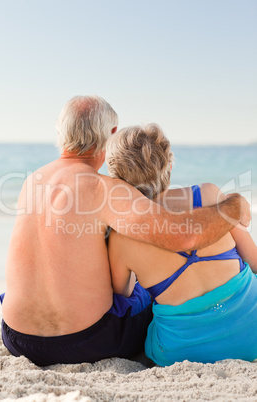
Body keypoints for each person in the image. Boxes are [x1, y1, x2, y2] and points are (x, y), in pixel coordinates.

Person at [1, 96, 250, 366]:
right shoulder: (103, 188)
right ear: (111, 135)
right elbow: (183, 235)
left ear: (60, 132)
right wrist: (233, 206)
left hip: (18, 339)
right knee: (145, 285)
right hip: (87, 342)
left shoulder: (31, 181)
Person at [106, 123, 257, 366]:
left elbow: (123, 292)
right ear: (169, 163)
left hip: (180, 353)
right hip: (253, 335)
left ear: (117, 178)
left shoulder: (120, 236)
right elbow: (253, 259)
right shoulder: (207, 195)